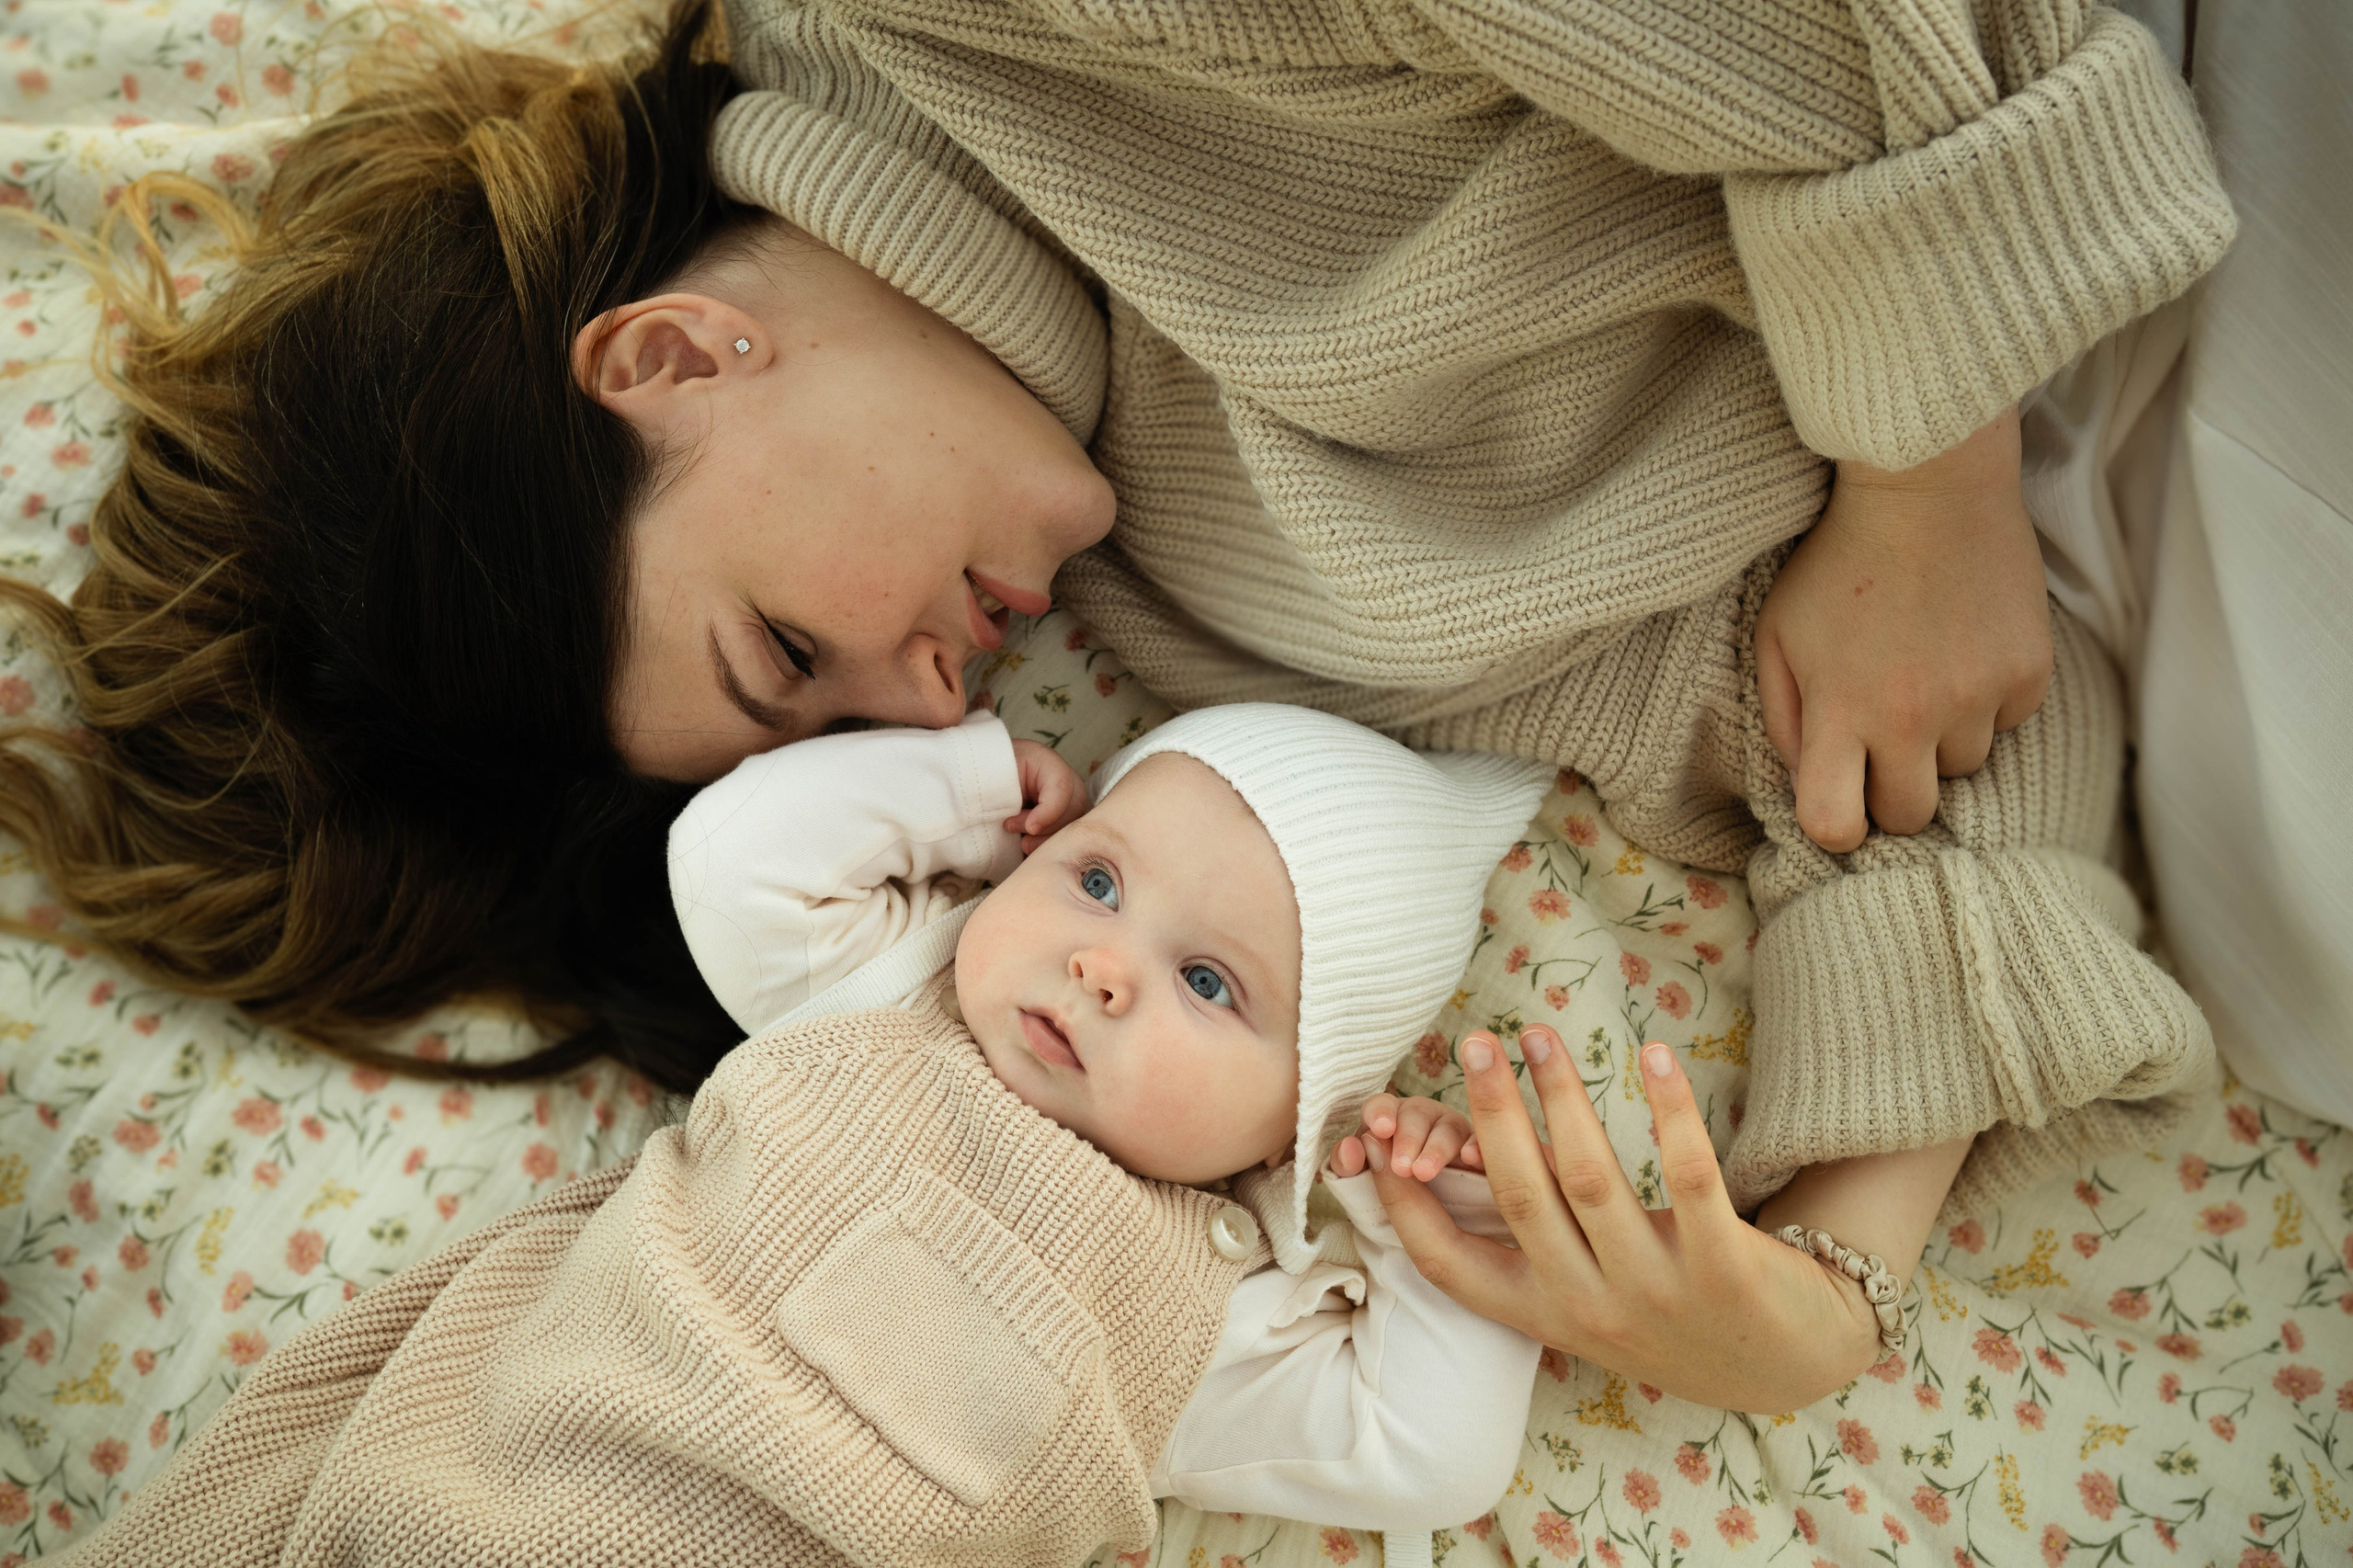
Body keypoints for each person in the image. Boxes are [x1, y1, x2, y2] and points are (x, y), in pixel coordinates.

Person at [0, 0, 2222, 1384]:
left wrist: (1922, 467)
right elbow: (1909, 730)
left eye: (783, 647)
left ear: (673, 356)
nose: (925, 689)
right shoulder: (1186, 644)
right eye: (834, 724)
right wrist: (1813, 1291)